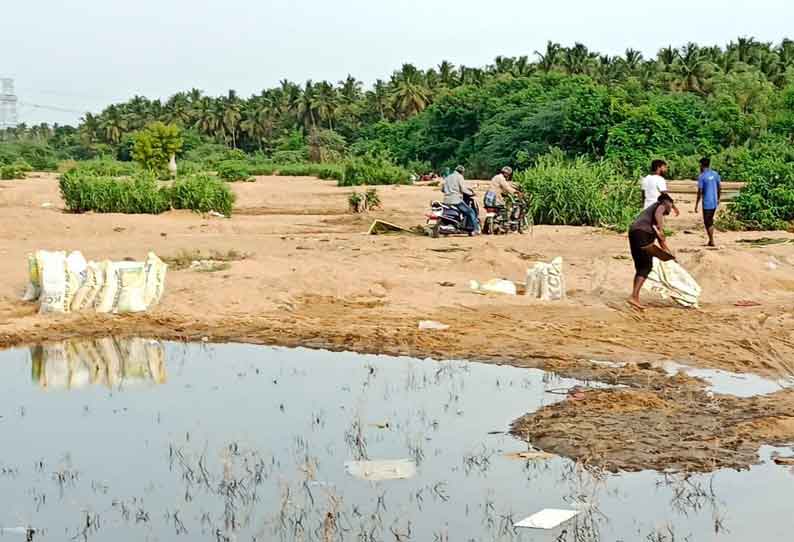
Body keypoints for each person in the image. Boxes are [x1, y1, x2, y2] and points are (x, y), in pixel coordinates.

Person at [627, 193, 676, 309]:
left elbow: (660, 241)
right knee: (646, 266)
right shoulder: (660, 206)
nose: (671, 208)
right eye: (671, 205)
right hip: (642, 233)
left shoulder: (649, 217)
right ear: (667, 202)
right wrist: (660, 229)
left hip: (634, 232)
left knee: (642, 266)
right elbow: (659, 213)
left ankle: (634, 297)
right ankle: (633, 296)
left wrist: (668, 253)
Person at [442, 165, 480, 235]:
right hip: (456, 200)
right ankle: (476, 229)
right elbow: (463, 189)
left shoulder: (448, 177)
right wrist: (472, 193)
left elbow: (443, 189)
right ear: (462, 172)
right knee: (471, 211)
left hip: (446, 200)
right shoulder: (459, 177)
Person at [694, 157, 721, 247]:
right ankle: (711, 240)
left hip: (707, 202)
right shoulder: (715, 174)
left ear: (701, 165)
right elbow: (719, 187)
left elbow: (700, 191)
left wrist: (697, 204)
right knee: (710, 220)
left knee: (707, 221)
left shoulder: (702, 176)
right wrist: (718, 198)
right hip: (714, 201)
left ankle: (711, 240)